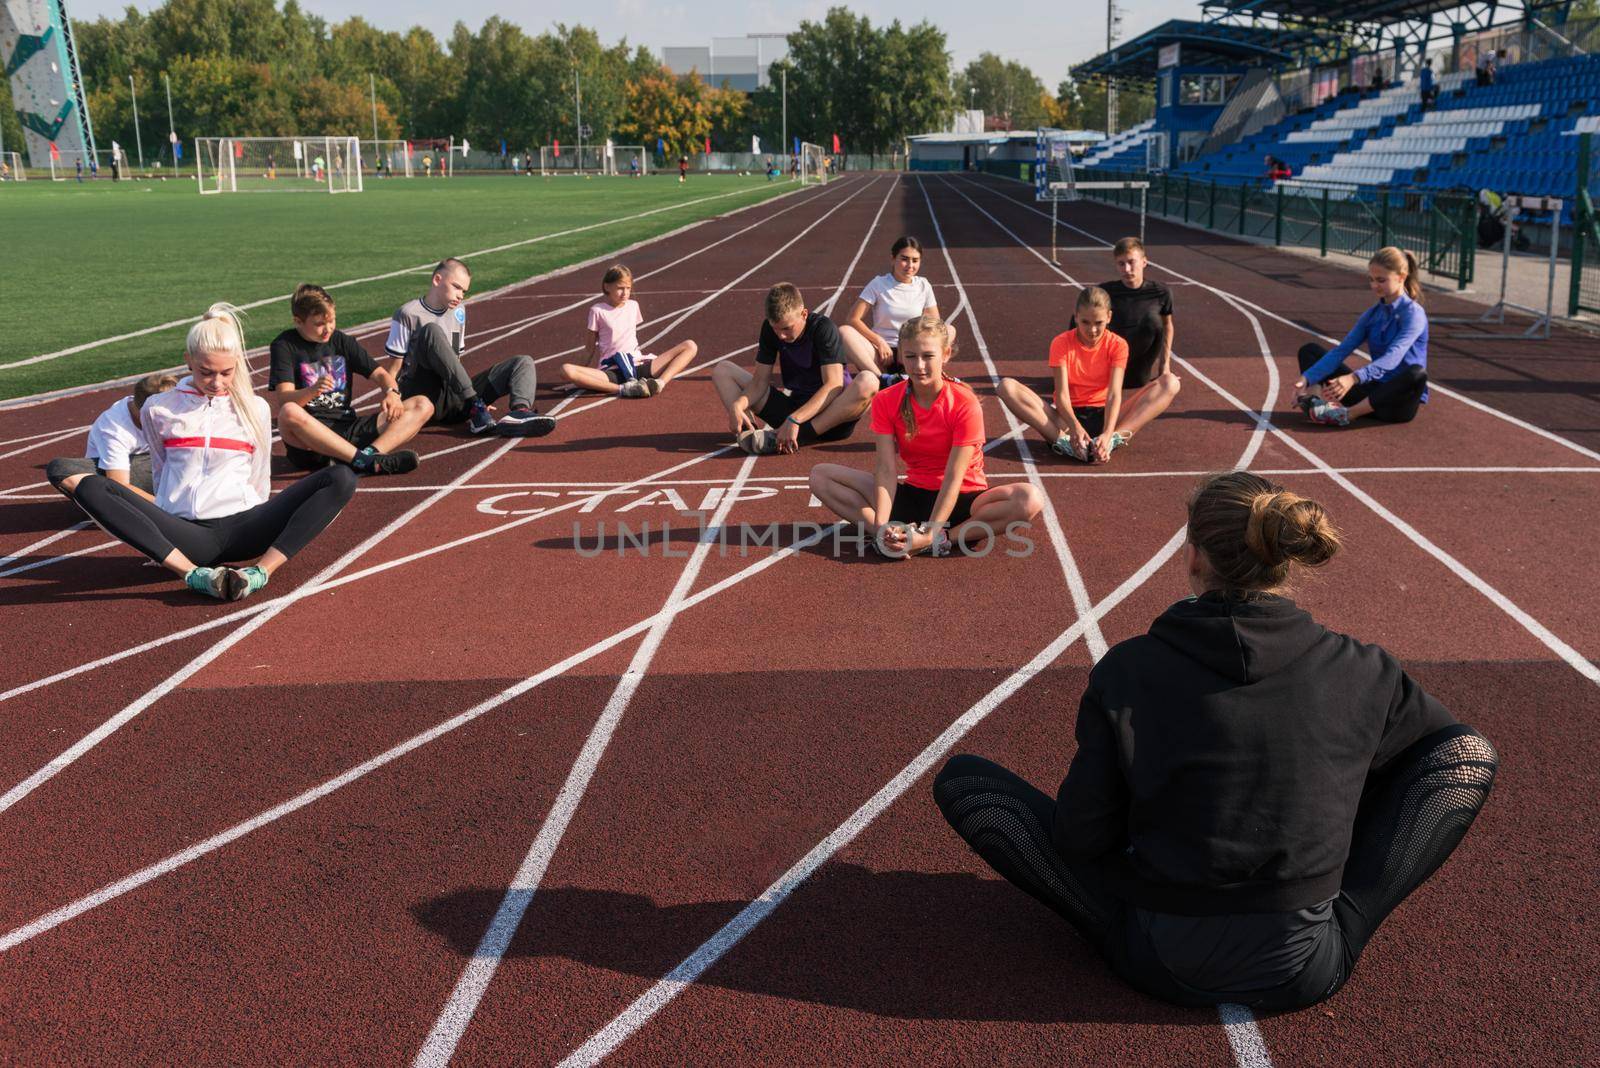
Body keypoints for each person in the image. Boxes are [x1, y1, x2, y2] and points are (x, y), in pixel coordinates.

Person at [933, 471, 1498, 1011]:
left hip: (1155, 959)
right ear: (1283, 559)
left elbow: (1082, 836)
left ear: (1194, 555)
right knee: (1469, 756)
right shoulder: (1365, 668)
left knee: (965, 783)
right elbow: (1444, 753)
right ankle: (1332, 903)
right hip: (1307, 967)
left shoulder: (1129, 670)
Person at [57, 305, 360, 602]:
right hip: (188, 536)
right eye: (206, 372)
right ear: (188, 360)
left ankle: (259, 573)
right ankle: (193, 575)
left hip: (247, 529)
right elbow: (161, 471)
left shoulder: (255, 408)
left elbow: (259, 477)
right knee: (89, 484)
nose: (217, 382)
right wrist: (164, 522)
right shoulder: (159, 408)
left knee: (341, 476)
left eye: (226, 373)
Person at [809, 315, 1043, 558]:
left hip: (964, 501)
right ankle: (889, 536)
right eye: (910, 356)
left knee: (1030, 499)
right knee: (820, 475)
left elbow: (954, 476)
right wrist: (881, 524)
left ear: (945, 354)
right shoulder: (886, 400)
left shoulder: (964, 402)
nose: (919, 365)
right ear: (900, 356)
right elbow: (886, 470)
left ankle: (941, 540)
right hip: (914, 495)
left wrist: (930, 534)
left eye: (928, 356)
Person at [998, 286, 1175, 463]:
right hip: (1067, 419)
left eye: (1098, 323)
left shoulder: (1118, 345)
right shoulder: (1061, 343)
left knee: (1170, 383)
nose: (1092, 330)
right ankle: (1065, 443)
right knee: (1006, 386)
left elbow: (1114, 394)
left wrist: (1107, 432)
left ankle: (1110, 441)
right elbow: (1061, 395)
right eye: (1085, 322)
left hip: (1106, 415)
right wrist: (1075, 427)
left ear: (1109, 317)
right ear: (1075, 318)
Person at [270, 284, 432, 474]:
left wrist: (392, 393)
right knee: (288, 412)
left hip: (348, 428)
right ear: (298, 321)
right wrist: (312, 390)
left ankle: (366, 456)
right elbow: (284, 399)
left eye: (331, 320)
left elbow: (381, 375)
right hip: (311, 441)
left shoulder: (340, 341)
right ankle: (364, 462)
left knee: (423, 405)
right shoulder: (284, 345)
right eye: (319, 324)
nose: (328, 329)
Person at [386, 257, 556, 437]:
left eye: (464, 291)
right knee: (431, 331)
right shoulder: (407, 314)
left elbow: (455, 361)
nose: (461, 295)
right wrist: (391, 397)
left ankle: (519, 413)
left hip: (452, 398)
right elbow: (394, 368)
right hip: (420, 397)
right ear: (437, 280)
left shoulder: (459, 312)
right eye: (456, 287)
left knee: (522, 362)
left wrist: (470, 394)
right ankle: (476, 406)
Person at [711, 282, 880, 455]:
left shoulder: (823, 329)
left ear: (804, 314)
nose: (781, 336)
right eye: (776, 329)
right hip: (794, 409)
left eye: (787, 328)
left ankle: (784, 438)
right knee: (723, 370)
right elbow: (759, 382)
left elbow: (833, 386)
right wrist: (738, 405)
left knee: (868, 381)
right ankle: (751, 435)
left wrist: (795, 419)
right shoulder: (771, 330)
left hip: (833, 416)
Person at [1295, 246, 1430, 426]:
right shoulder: (1372, 314)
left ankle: (1347, 414)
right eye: (1371, 279)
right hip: (1370, 396)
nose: (1374, 286)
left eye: (1381, 280)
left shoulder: (1414, 314)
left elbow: (1393, 357)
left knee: (1416, 373)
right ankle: (1318, 407)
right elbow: (1342, 350)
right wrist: (1306, 378)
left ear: (1402, 277)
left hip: (1397, 405)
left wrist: (1354, 378)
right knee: (1310, 351)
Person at [1075, 237, 1182, 426]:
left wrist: (1164, 367)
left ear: (1144, 262)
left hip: (1138, 370)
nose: (1127, 269)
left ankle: (1118, 433)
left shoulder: (1161, 292)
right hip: (1107, 367)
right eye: (1121, 264)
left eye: (1131, 262)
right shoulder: (1105, 292)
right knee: (1086, 314)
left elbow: (1167, 327)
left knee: (1153, 322)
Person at [559, 265, 698, 398]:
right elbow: (589, 349)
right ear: (607, 286)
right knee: (566, 369)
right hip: (612, 371)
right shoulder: (597, 311)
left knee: (690, 346)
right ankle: (625, 389)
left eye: (628, 288)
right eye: (620, 288)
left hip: (640, 365)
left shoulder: (633, 305)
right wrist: (578, 379)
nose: (625, 293)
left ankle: (659, 383)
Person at [46, 373, 179, 500]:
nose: (171, 419)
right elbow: (120, 486)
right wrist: (163, 507)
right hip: (131, 476)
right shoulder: (115, 428)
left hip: (167, 470)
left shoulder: (179, 407)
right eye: (162, 416)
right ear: (146, 411)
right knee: (60, 469)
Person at [839, 236, 946, 388]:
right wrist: (879, 341)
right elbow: (853, 319)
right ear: (893, 259)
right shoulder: (878, 284)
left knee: (949, 330)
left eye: (915, 260)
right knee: (844, 332)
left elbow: (935, 323)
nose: (910, 265)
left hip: (912, 352)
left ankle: (920, 374)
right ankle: (881, 379)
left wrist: (906, 345)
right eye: (904, 259)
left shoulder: (923, 285)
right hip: (881, 354)